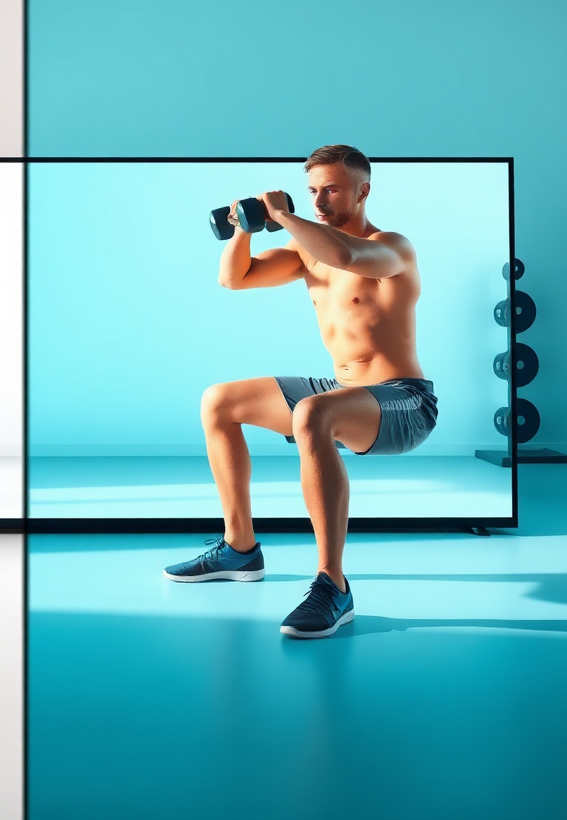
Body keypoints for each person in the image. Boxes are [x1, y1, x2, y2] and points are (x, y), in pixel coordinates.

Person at [163, 146, 437, 638]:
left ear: (363, 190)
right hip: (343, 391)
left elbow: (346, 254)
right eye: (313, 190)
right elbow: (234, 278)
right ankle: (239, 549)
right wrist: (245, 227)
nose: (320, 200)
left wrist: (282, 215)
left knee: (312, 413)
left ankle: (333, 585)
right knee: (219, 401)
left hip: (405, 400)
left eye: (331, 189)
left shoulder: (393, 246)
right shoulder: (305, 252)